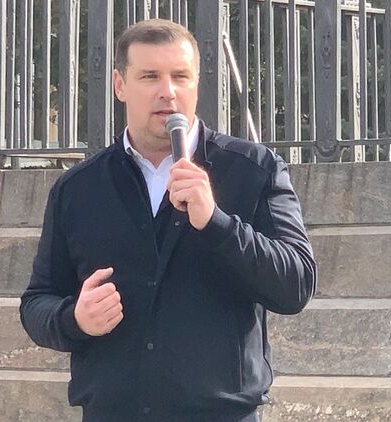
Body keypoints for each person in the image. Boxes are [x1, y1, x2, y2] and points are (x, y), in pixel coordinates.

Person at [19, 18, 316, 422]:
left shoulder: (254, 170)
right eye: (149, 76)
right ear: (120, 85)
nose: (167, 91)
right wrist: (74, 319)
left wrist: (217, 223)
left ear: (197, 84)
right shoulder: (78, 189)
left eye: (180, 76)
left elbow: (296, 285)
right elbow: (37, 302)